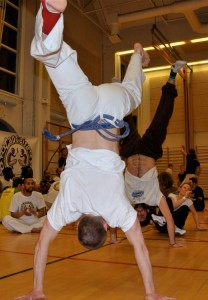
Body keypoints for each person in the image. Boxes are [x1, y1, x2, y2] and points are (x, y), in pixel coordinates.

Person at [13, 1, 176, 300]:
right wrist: (37, 288)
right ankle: (51, 18)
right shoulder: (68, 207)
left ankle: (139, 58)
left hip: (112, 109)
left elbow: (140, 247)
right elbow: (42, 246)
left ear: (104, 224)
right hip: (83, 109)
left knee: (133, 94)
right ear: (77, 223)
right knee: (52, 60)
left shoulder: (115, 209)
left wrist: (152, 295)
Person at [120, 58, 187, 245]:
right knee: (162, 117)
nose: (140, 213)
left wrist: (112, 237)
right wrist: (172, 243)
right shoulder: (156, 197)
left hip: (130, 151)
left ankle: (123, 91)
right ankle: (172, 75)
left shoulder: (126, 200)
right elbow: (170, 218)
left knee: (124, 119)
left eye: (138, 215)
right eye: (143, 216)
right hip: (150, 150)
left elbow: (114, 219)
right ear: (147, 214)